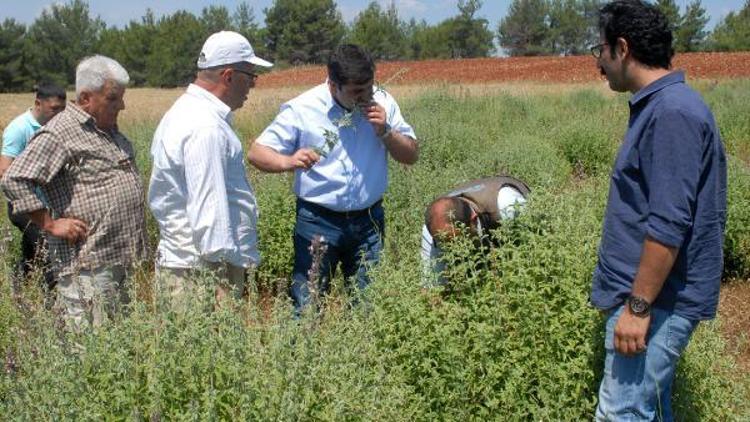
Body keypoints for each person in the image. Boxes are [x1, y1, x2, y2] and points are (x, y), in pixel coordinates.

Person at [589, 1, 727, 420]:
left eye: (601, 50)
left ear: (623, 48)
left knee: (622, 412)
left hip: (658, 300)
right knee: (648, 407)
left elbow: (669, 224)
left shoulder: (672, 113)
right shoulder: (663, 107)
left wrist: (638, 308)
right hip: (652, 297)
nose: (599, 63)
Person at [248, 44, 418, 313]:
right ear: (332, 84)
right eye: (355, 92)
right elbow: (257, 152)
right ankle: (304, 354)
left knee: (366, 307)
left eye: (369, 88)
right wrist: (288, 161)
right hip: (317, 222)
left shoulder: (384, 103)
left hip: (369, 223)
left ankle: (360, 354)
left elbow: (410, 155)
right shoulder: (302, 108)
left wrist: (386, 131)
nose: (365, 97)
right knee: (307, 307)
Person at [1, 55, 148, 329]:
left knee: (118, 345)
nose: (123, 105)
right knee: (91, 348)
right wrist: (50, 223)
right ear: (85, 98)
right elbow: (14, 178)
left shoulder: (107, 130)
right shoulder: (60, 132)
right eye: (113, 98)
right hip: (87, 267)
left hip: (118, 260)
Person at [148, 31, 272, 305]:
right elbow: (209, 207)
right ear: (229, 76)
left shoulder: (187, 113)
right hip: (201, 273)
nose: (252, 85)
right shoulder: (205, 126)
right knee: (207, 346)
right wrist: (221, 285)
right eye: (250, 76)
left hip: (191, 266)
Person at [0, 83, 66, 289]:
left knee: (32, 252)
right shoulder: (19, 129)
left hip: (47, 205)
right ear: (38, 103)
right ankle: (51, 302)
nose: (58, 114)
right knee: (48, 252)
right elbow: (5, 171)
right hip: (24, 206)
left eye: (62, 109)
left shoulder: (55, 128)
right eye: (54, 109)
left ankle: (18, 288)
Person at [421, 175, 529, 287]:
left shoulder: (507, 205)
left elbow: (538, 240)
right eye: (448, 245)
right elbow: (431, 288)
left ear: (473, 219)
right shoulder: (434, 231)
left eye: (458, 241)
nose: (455, 249)